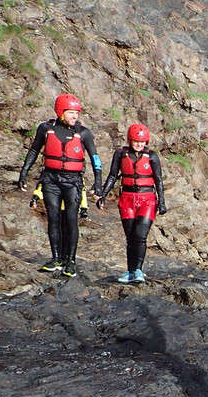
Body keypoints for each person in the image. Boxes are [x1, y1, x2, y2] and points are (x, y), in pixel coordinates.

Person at [17, 93, 104, 277]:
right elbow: (34, 150)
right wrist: (24, 172)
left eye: (77, 113)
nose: (75, 116)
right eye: (71, 112)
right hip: (51, 179)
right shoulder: (45, 129)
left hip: (73, 182)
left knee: (71, 220)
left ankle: (70, 261)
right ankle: (56, 258)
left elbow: (95, 158)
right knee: (54, 218)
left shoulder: (83, 133)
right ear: (60, 112)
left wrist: (98, 182)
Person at [96, 123, 166, 284]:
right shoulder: (121, 154)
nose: (139, 144)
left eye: (142, 142)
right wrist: (103, 195)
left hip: (147, 199)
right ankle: (130, 271)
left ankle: (138, 270)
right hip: (127, 199)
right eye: (136, 141)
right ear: (130, 140)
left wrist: (161, 202)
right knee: (130, 237)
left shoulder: (152, 156)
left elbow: (158, 180)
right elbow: (113, 176)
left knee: (140, 235)